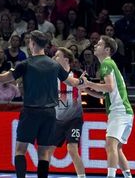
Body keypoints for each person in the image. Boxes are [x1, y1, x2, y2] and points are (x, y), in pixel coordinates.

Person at [0, 31, 83, 178]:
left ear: (32, 44)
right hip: (50, 114)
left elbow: (4, 79)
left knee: (20, 150)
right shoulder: (55, 65)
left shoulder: (25, 64)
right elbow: (72, 82)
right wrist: (83, 81)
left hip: (31, 112)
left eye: (29, 42)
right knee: (43, 153)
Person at [79, 36, 133, 178]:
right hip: (125, 113)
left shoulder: (107, 64)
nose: (96, 45)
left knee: (110, 146)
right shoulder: (110, 64)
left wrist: (89, 83)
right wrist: (86, 89)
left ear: (107, 50)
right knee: (117, 147)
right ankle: (128, 176)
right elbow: (105, 95)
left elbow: (109, 87)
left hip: (119, 112)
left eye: (99, 44)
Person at [46, 47, 85, 178]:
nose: (53, 58)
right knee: (47, 150)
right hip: (57, 120)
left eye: (57, 56)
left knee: (72, 149)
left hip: (74, 119)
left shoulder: (78, 74)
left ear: (66, 59)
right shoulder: (51, 75)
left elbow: (88, 88)